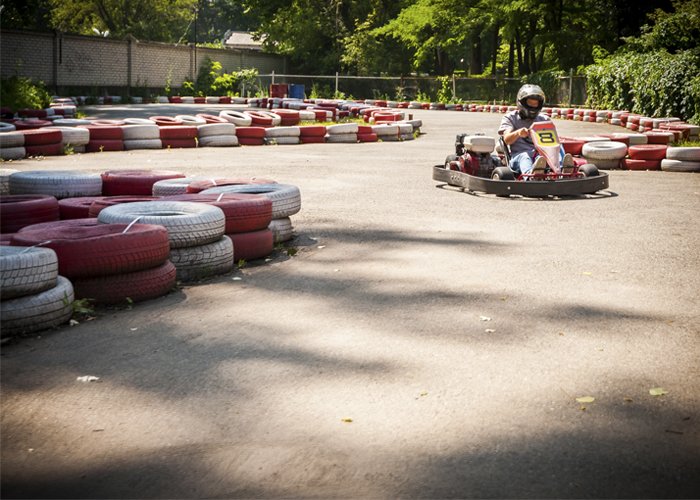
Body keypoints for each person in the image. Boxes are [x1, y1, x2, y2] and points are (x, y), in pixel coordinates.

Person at [498, 84, 574, 175]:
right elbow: (507, 140)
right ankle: (530, 175)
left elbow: (553, 141)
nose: (533, 106)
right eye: (530, 103)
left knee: (558, 146)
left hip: (541, 156)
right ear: (521, 102)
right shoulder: (510, 118)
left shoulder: (544, 119)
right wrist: (518, 133)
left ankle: (562, 170)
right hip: (519, 156)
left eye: (536, 104)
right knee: (525, 156)